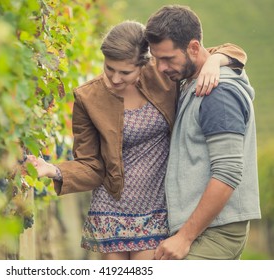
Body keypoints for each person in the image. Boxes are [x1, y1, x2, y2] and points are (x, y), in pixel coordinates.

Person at [26, 20, 247, 260]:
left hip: (157, 208)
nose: (115, 79)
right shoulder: (88, 98)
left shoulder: (164, 74)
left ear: (145, 63)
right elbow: (91, 165)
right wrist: (53, 170)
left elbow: (226, 52)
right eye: (109, 68)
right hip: (111, 208)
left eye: (125, 72)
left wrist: (215, 62)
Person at [144, 5, 261, 260]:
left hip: (215, 232)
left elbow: (228, 171)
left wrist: (185, 237)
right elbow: (228, 51)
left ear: (194, 48)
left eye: (167, 58)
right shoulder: (194, 78)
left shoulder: (218, 94)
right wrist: (218, 58)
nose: (161, 68)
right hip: (205, 228)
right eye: (156, 58)